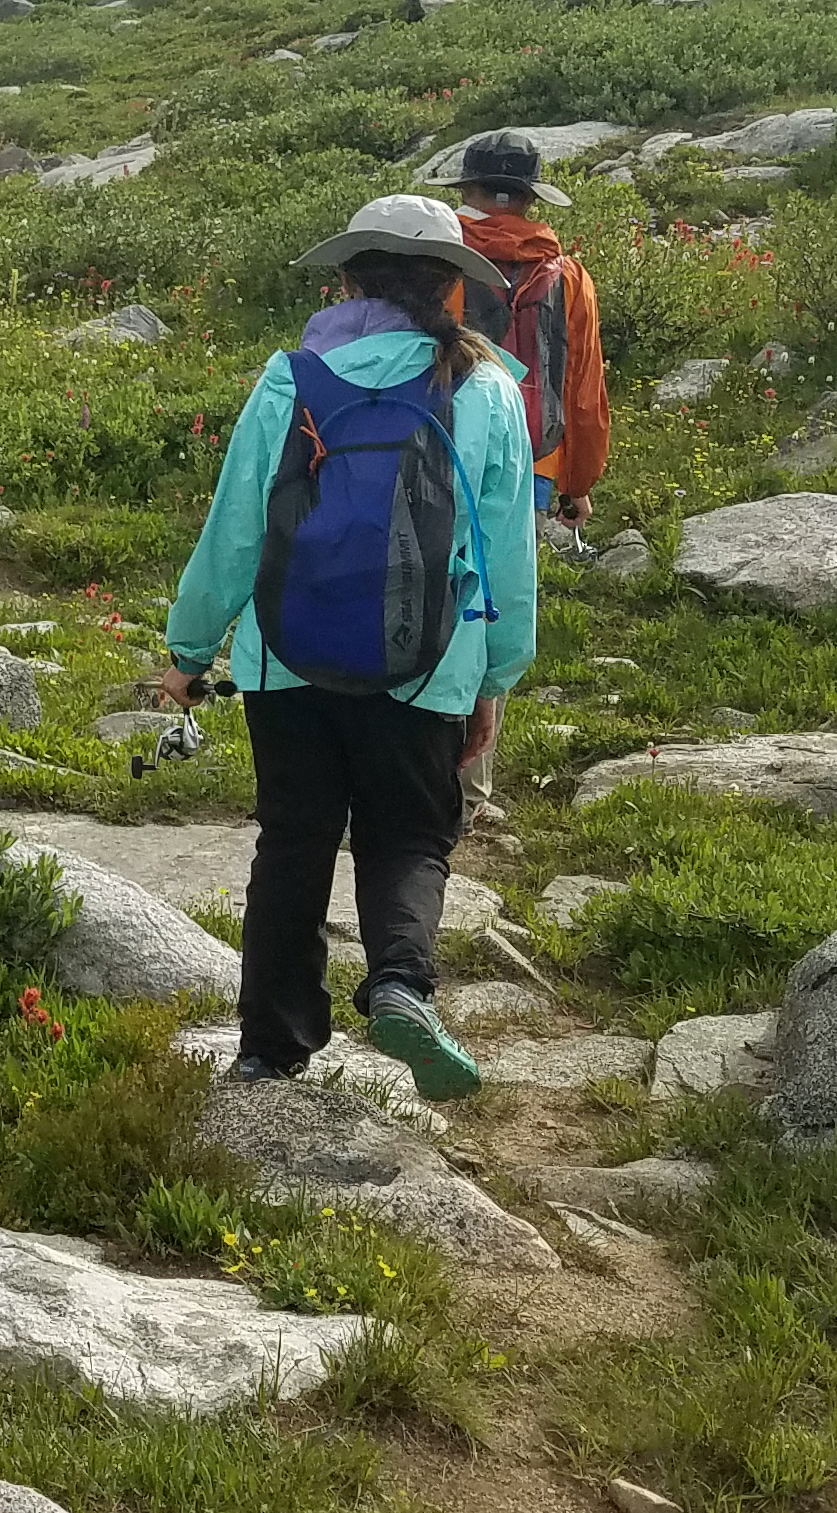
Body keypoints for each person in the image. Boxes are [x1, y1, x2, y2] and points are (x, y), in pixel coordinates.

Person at [146, 193, 540, 1100]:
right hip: (432, 663)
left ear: (348, 278)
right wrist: (496, 676)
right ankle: (400, 982)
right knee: (408, 838)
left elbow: (236, 529)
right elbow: (505, 553)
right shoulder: (484, 389)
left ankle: (269, 1047)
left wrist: (189, 649)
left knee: (292, 844)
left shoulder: (290, 378)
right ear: (451, 286)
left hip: (288, 657)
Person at [438, 129, 610, 540]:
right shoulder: (568, 276)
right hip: (532, 460)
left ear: (465, 188)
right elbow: (583, 390)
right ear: (531, 198)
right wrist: (577, 483)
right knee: (506, 594)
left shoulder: (437, 264)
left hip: (440, 452)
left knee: (434, 593)